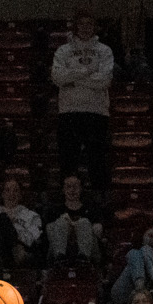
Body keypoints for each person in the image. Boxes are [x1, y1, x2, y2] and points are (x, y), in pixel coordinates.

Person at [52, 11, 116, 186]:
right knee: (68, 162)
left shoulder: (104, 50)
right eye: (82, 24)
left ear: (95, 27)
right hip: (69, 113)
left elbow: (104, 80)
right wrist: (87, 72)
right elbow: (57, 77)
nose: (85, 28)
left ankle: (99, 203)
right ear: (75, 26)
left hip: (97, 113)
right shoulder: (63, 51)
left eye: (89, 24)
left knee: (97, 162)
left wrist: (72, 78)